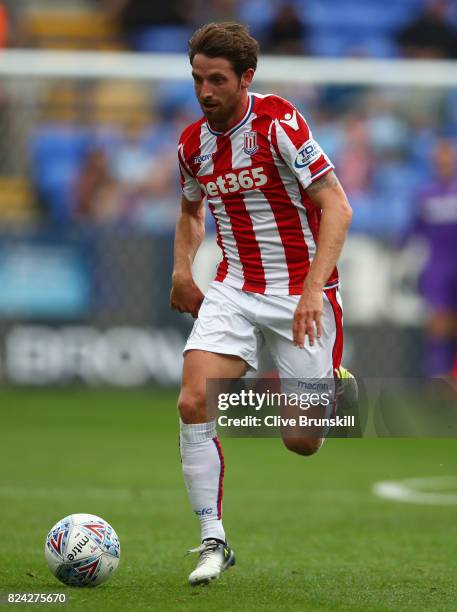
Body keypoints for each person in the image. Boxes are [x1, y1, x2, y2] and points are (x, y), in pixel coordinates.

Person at [170, 22, 353, 586]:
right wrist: (181, 270)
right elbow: (191, 211)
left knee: (301, 442)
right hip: (233, 287)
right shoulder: (191, 145)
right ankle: (212, 541)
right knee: (193, 399)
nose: (205, 91)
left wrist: (313, 290)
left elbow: (338, 208)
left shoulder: (280, 124)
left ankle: (331, 387)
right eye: (198, 79)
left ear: (246, 77)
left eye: (218, 80)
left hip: (302, 291)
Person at [413, 138, 457, 376]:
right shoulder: (425, 194)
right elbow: (415, 230)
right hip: (438, 266)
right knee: (439, 321)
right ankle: (437, 376)